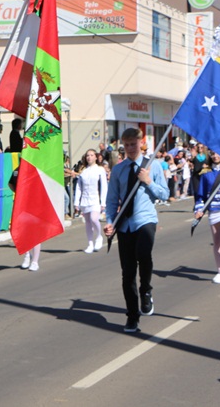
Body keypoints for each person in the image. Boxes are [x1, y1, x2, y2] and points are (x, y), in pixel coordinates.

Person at [103, 128, 169, 333]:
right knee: (128, 272)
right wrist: (110, 222)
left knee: (144, 254)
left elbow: (165, 194)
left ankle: (146, 290)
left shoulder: (152, 165)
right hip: (125, 223)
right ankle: (132, 316)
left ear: (141, 143)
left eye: (134, 144)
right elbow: (112, 199)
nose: (131, 148)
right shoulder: (119, 169)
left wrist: (148, 181)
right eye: (127, 145)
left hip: (145, 219)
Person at [193, 152, 220, 284]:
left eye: (217, 153)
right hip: (214, 209)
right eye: (212, 153)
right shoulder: (206, 173)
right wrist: (198, 209)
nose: (215, 156)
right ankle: (219, 272)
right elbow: (201, 195)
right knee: (217, 242)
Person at [75, 149, 108, 253]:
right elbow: (79, 187)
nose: (89, 157)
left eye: (91, 155)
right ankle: (90, 243)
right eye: (87, 155)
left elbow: (104, 186)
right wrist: (76, 202)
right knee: (88, 222)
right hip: (85, 199)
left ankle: (99, 236)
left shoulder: (100, 169)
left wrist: (103, 202)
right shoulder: (83, 171)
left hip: (95, 199)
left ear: (95, 157)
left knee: (94, 219)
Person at [9, 165, 41, 271]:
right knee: (24, 232)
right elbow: (10, 183)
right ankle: (27, 255)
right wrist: (18, 193)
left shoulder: (35, 169)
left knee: (35, 233)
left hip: (34, 204)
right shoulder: (16, 171)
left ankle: (35, 261)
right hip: (21, 205)